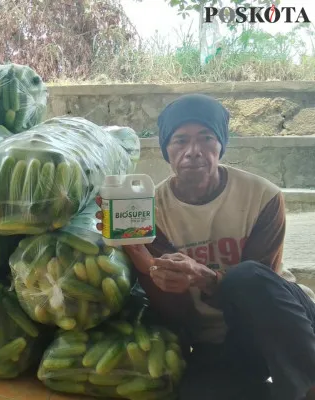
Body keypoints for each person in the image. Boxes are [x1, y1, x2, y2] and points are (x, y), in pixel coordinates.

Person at [95, 94, 315, 400]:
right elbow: (178, 310)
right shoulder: (150, 210)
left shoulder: (262, 197)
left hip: (284, 325)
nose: (193, 152)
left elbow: (260, 285)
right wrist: (139, 256)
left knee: (246, 277)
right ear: (166, 151)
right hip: (222, 341)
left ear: (221, 145)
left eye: (206, 138)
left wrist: (204, 276)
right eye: (180, 140)